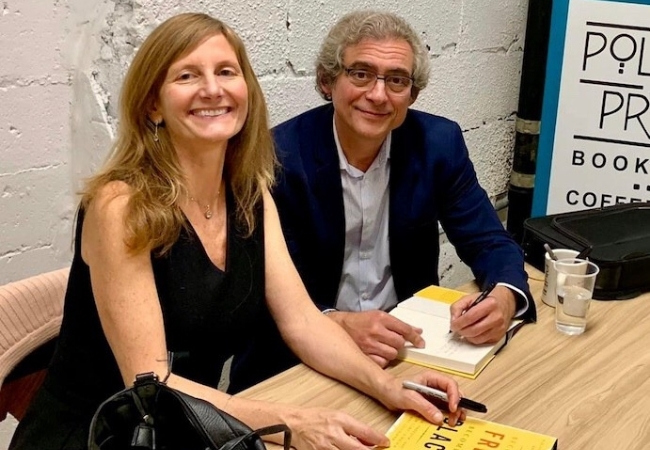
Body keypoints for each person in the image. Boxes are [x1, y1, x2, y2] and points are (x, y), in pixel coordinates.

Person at [9, 12, 465, 450]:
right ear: (153, 104)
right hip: (109, 432)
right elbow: (151, 385)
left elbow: (303, 322)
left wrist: (389, 388)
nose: (212, 89)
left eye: (226, 72)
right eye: (187, 76)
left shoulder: (250, 192)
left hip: (198, 425)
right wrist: (292, 422)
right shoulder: (120, 205)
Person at [269, 10, 537, 370]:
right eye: (361, 74)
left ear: (412, 94)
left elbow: (489, 241)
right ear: (327, 81)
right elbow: (259, 290)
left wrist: (504, 296)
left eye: (396, 80)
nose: (378, 95)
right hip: (301, 357)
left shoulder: (438, 145)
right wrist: (338, 323)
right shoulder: (279, 158)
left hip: (407, 347)